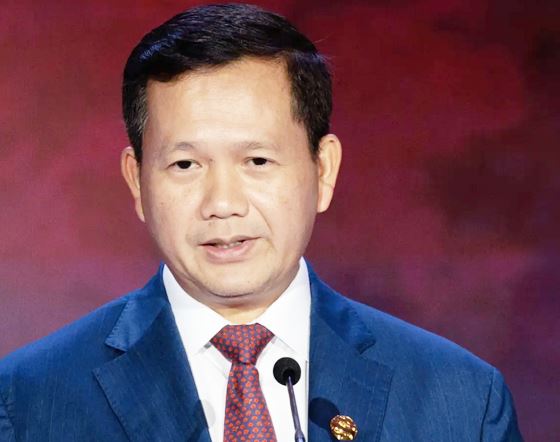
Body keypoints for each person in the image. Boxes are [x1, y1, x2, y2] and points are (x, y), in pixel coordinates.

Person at [0, 4, 522, 441]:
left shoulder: (461, 402)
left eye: (257, 161)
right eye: (185, 165)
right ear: (137, 182)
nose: (222, 203)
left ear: (323, 170)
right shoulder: (27, 402)